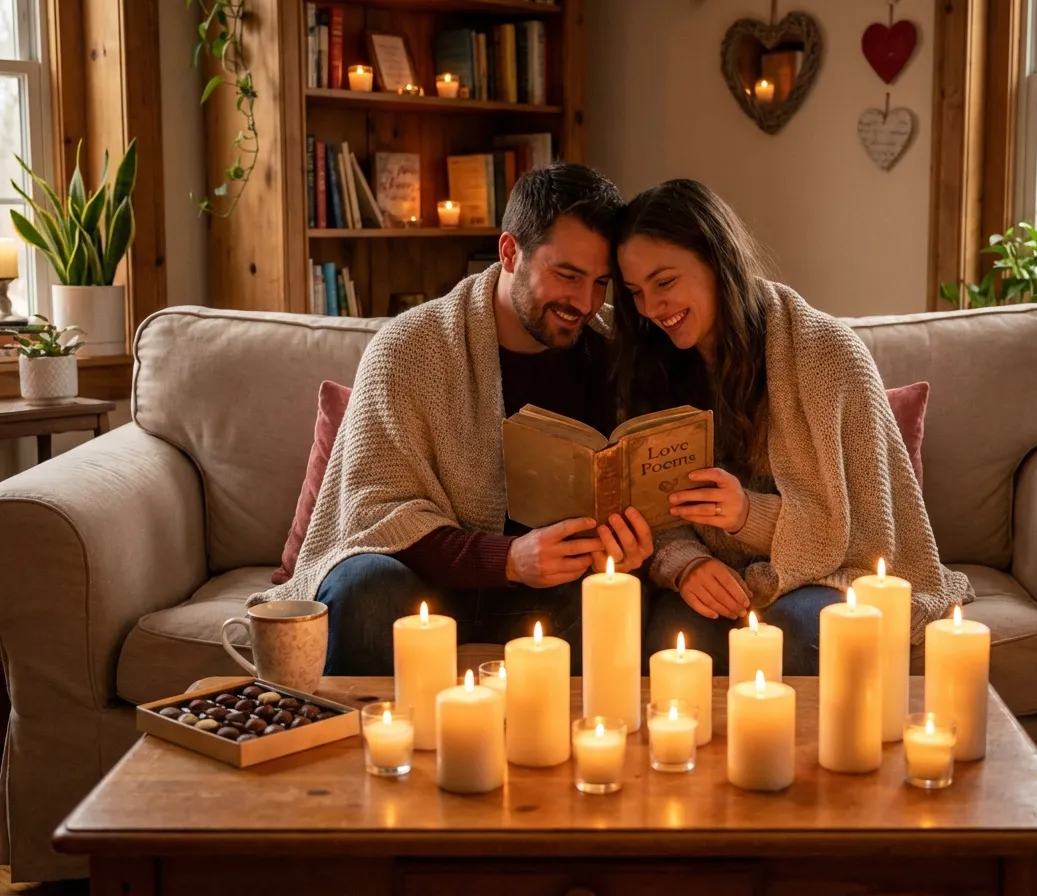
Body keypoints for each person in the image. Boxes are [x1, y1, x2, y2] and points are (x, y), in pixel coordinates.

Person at [249, 163, 654, 674]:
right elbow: (377, 514)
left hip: (552, 592)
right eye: (567, 276)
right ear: (510, 252)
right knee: (367, 586)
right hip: (425, 585)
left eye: (601, 283)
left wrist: (631, 543)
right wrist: (508, 558)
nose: (585, 302)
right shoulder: (409, 348)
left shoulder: (616, 350)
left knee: (620, 591)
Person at [610, 179, 972, 675]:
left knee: (795, 636)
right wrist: (686, 565)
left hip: (833, 574)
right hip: (722, 572)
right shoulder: (651, 365)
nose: (651, 309)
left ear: (717, 261)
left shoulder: (828, 356)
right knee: (673, 644)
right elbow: (654, 510)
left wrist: (745, 514)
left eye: (665, 282)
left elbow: (871, 535)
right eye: (635, 293)